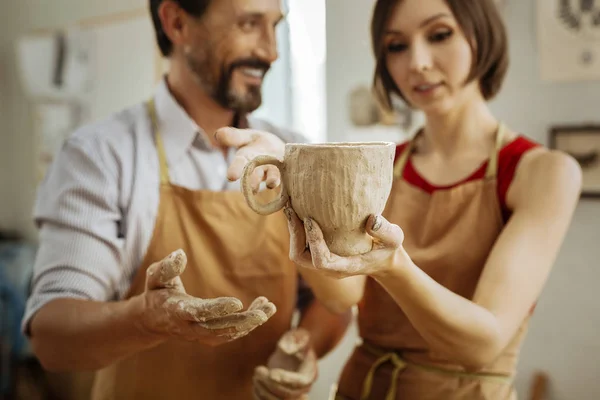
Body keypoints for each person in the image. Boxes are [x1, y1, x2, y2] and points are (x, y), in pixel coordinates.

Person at [229, 0, 583, 398]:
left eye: (439, 35)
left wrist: (395, 266)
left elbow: (481, 345)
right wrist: (292, 192)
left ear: (480, 33)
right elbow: (343, 293)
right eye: (396, 46)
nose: (417, 62)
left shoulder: (542, 172)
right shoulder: (380, 166)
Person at [21, 0, 351, 399]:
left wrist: (302, 345)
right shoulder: (100, 156)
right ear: (176, 22)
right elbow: (52, 339)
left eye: (274, 26)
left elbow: (335, 301)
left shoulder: (292, 152)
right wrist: (147, 320)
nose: (271, 51)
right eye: (249, 23)